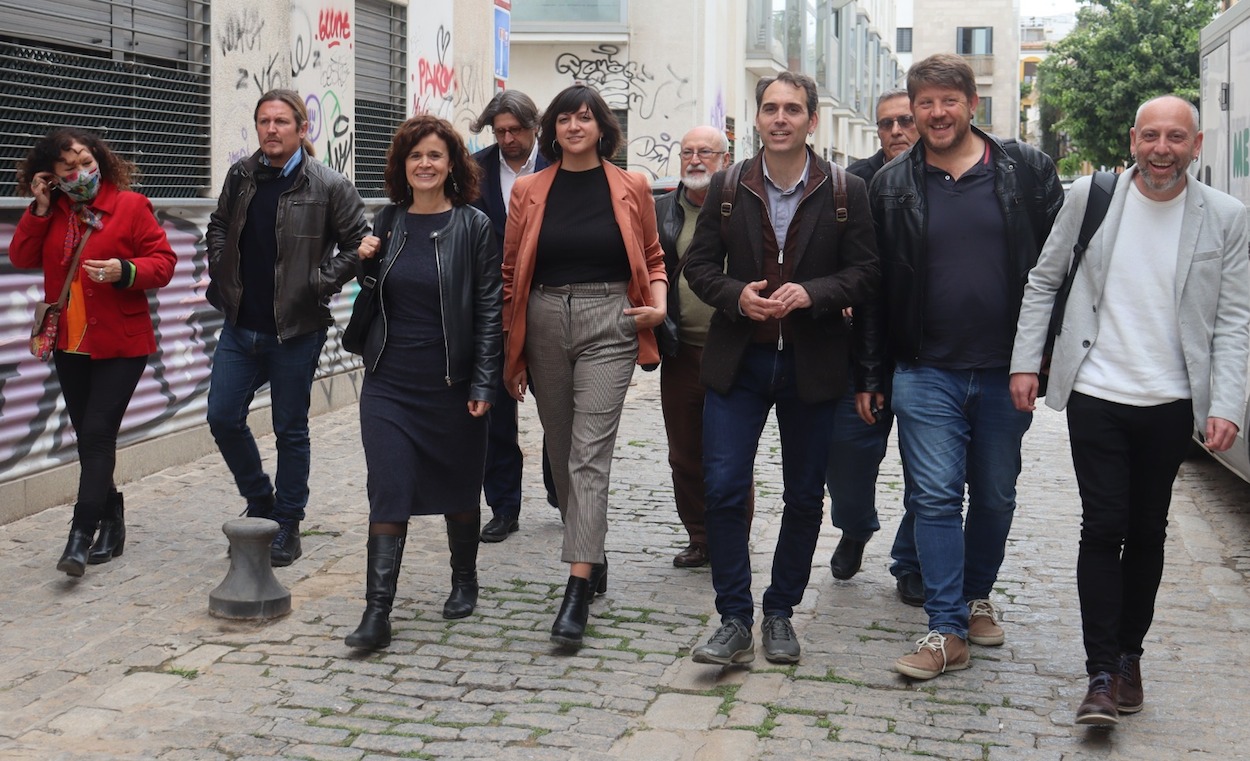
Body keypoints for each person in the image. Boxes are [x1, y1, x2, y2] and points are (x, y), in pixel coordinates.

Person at [1010, 95, 1250, 725]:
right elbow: (1043, 281)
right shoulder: (1092, 198)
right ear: (1134, 139)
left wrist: (1227, 403)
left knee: (1147, 531)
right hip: (1098, 394)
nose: (1162, 149)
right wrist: (1025, 363)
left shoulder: (1226, 218)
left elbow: (1233, 319)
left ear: (1196, 145)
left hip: (1171, 403)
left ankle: (1130, 654)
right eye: (1151, 136)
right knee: (1102, 526)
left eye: (1176, 137)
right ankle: (1100, 674)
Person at [856, 54, 1064, 680]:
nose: (937, 113)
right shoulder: (889, 186)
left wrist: (1045, 353)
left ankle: (976, 598)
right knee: (935, 497)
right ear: (912, 109)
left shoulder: (1026, 171)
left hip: (1008, 371)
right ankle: (946, 628)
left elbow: (1060, 271)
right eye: (925, 102)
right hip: (925, 371)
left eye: (949, 101)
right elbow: (874, 289)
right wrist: (871, 373)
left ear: (973, 104)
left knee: (996, 495)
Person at [683, 71, 879, 666]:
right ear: (758, 118)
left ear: (811, 120)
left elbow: (867, 273)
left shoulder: (845, 189)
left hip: (813, 364)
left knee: (802, 496)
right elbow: (698, 266)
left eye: (793, 109)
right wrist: (737, 295)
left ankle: (780, 612)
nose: (780, 118)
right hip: (739, 361)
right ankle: (733, 616)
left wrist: (812, 294)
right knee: (722, 487)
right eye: (770, 108)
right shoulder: (727, 184)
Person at [502, 83, 668, 650]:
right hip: (545, 317)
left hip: (610, 320)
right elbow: (509, 275)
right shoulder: (528, 189)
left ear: (602, 127)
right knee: (559, 449)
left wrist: (660, 302)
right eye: (565, 118)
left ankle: (574, 589)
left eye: (585, 117)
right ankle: (591, 553)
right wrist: (514, 348)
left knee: (588, 456)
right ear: (553, 128)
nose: (575, 126)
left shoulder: (632, 185)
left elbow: (651, 256)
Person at [344, 115, 502, 650]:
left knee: (459, 487)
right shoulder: (385, 222)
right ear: (403, 166)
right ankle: (377, 613)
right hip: (389, 381)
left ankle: (464, 578)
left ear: (452, 164)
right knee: (388, 488)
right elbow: (368, 293)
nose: (426, 164)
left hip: (452, 382)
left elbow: (487, 309)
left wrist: (484, 383)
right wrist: (361, 260)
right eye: (416, 156)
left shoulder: (474, 226)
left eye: (435, 155)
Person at [206, 89, 369, 567]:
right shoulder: (242, 174)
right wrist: (219, 264)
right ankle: (261, 501)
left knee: (289, 428)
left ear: (302, 128)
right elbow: (218, 225)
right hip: (241, 326)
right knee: (222, 416)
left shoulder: (327, 184)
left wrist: (319, 281)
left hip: (296, 329)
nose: (271, 129)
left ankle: (289, 523)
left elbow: (360, 243)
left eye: (281, 121)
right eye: (264, 121)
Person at [9, 127, 176, 577]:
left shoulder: (129, 206)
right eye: (68, 167)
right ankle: (114, 516)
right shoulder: (55, 211)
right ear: (51, 175)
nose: (80, 172)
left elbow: (164, 263)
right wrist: (41, 208)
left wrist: (125, 270)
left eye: (85, 162)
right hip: (69, 342)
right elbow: (22, 256)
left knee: (99, 430)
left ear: (99, 158)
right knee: (88, 435)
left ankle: (81, 534)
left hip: (121, 343)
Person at [828, 89, 920, 586]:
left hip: (926, 353)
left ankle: (911, 559)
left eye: (906, 120)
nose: (897, 131)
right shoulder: (851, 184)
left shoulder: (945, 183)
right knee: (846, 459)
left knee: (928, 472)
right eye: (886, 124)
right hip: (860, 349)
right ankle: (855, 527)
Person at [655, 125, 747, 569]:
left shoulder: (745, 206)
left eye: (706, 152)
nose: (695, 159)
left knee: (729, 454)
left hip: (732, 351)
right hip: (680, 351)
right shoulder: (660, 211)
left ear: (725, 159)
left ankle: (731, 538)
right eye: (687, 151)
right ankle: (700, 536)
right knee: (685, 455)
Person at [468, 90, 555, 543]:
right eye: (500, 131)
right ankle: (504, 506)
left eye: (516, 130)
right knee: (495, 413)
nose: (508, 139)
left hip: (548, 304)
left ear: (534, 126)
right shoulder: (475, 170)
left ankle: (560, 485)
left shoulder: (559, 163)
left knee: (559, 407)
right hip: (491, 307)